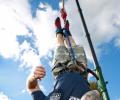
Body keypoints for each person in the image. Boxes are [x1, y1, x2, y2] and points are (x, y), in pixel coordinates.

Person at [26, 16, 101, 100]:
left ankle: (58, 31)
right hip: (81, 71)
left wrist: (33, 77)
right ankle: (67, 32)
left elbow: (32, 88)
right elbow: (96, 93)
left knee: (60, 45)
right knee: (74, 46)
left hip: (60, 70)